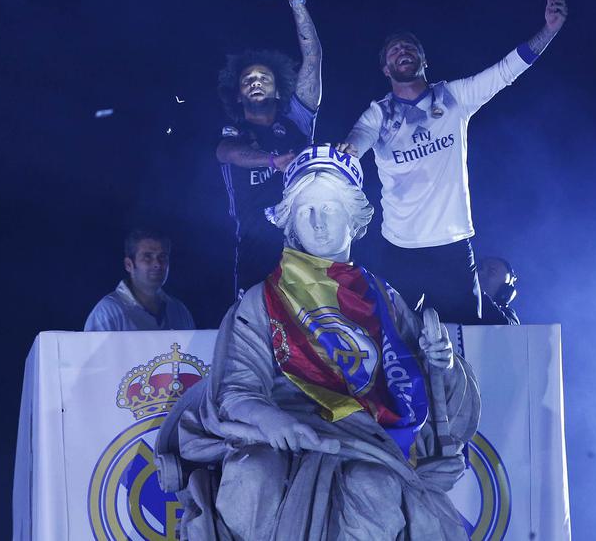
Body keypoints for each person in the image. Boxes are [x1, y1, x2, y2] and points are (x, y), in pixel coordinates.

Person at [160, 145, 480, 540]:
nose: (318, 222)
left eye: (329, 208)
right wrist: (271, 419)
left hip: (368, 440)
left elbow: (430, 393)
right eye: (305, 210)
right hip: (278, 432)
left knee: (374, 486)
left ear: (352, 219)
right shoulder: (262, 300)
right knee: (253, 478)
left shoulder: (385, 299)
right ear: (290, 221)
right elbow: (236, 389)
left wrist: (442, 364)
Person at [338, 0, 568, 323]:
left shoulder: (454, 98)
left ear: (423, 60)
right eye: (394, 50)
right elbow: (358, 140)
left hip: (453, 246)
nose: (402, 51)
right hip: (400, 249)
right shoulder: (379, 114)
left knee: (464, 343)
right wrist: (349, 152)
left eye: (409, 47)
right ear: (385, 68)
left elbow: (505, 71)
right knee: (387, 341)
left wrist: (549, 30)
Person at [217, 0, 322, 300]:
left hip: (306, 252)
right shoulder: (233, 134)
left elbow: (313, 58)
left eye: (264, 77)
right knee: (259, 346)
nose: (256, 82)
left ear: (279, 87)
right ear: (238, 92)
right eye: (248, 79)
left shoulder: (297, 120)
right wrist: (273, 161)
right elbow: (228, 153)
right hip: (255, 255)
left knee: (309, 347)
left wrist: (297, 2)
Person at [83, 228, 195, 331]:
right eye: (147, 257)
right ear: (129, 265)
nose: (157, 264)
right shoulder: (107, 313)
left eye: (162, 257)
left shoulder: (179, 311)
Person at [478, 255, 521, 325]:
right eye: (480, 269)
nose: (480, 273)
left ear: (504, 291)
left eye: (491, 272)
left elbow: (505, 327)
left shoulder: (509, 316)